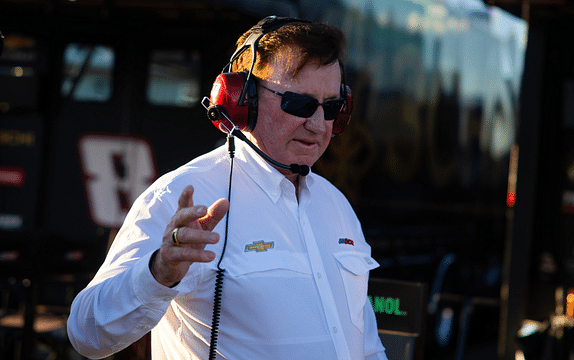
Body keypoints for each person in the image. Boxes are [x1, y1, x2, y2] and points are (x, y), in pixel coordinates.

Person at [67, 16, 388, 360]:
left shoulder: (336, 205)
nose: (317, 124)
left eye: (333, 107)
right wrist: (159, 272)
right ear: (241, 99)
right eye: (299, 103)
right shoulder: (180, 196)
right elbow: (87, 334)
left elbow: (365, 347)